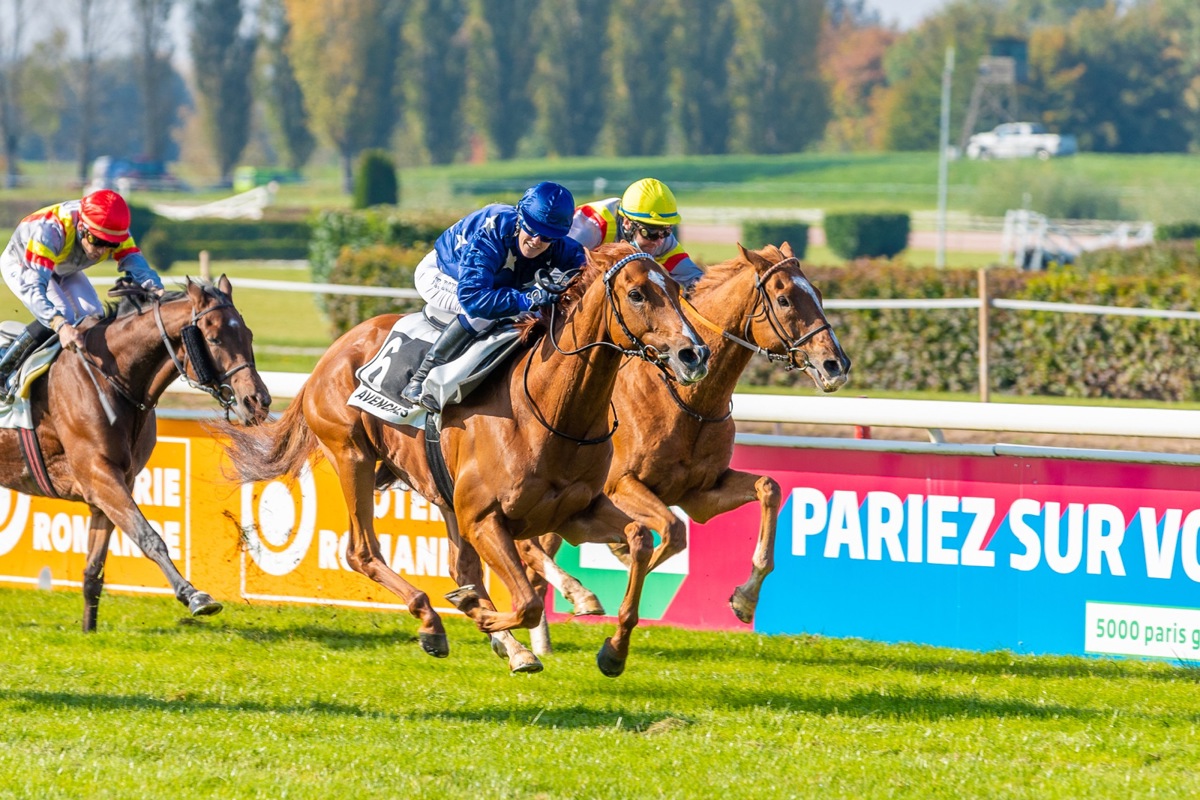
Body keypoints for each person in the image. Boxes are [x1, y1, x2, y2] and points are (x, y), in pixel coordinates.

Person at [399, 181, 588, 412]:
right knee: (486, 315)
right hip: (442, 275)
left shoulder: (560, 245)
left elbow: (591, 271)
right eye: (532, 229)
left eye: (548, 236)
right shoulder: (492, 232)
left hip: (488, 283)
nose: (537, 240)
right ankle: (422, 378)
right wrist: (528, 299)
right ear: (520, 218)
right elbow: (474, 298)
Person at [0, 189, 164, 401]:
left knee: (93, 316)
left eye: (111, 245)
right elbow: (34, 288)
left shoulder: (113, 230)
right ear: (81, 227)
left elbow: (136, 264)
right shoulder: (49, 230)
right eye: (97, 241)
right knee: (64, 315)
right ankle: (4, 366)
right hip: (25, 264)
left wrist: (158, 290)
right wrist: (60, 325)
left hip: (63, 266)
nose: (102, 251)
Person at [568, 177, 703, 290]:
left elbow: (692, 277)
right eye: (651, 233)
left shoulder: (659, 237)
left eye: (666, 231)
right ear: (627, 223)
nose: (659, 242)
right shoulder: (591, 228)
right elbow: (558, 274)